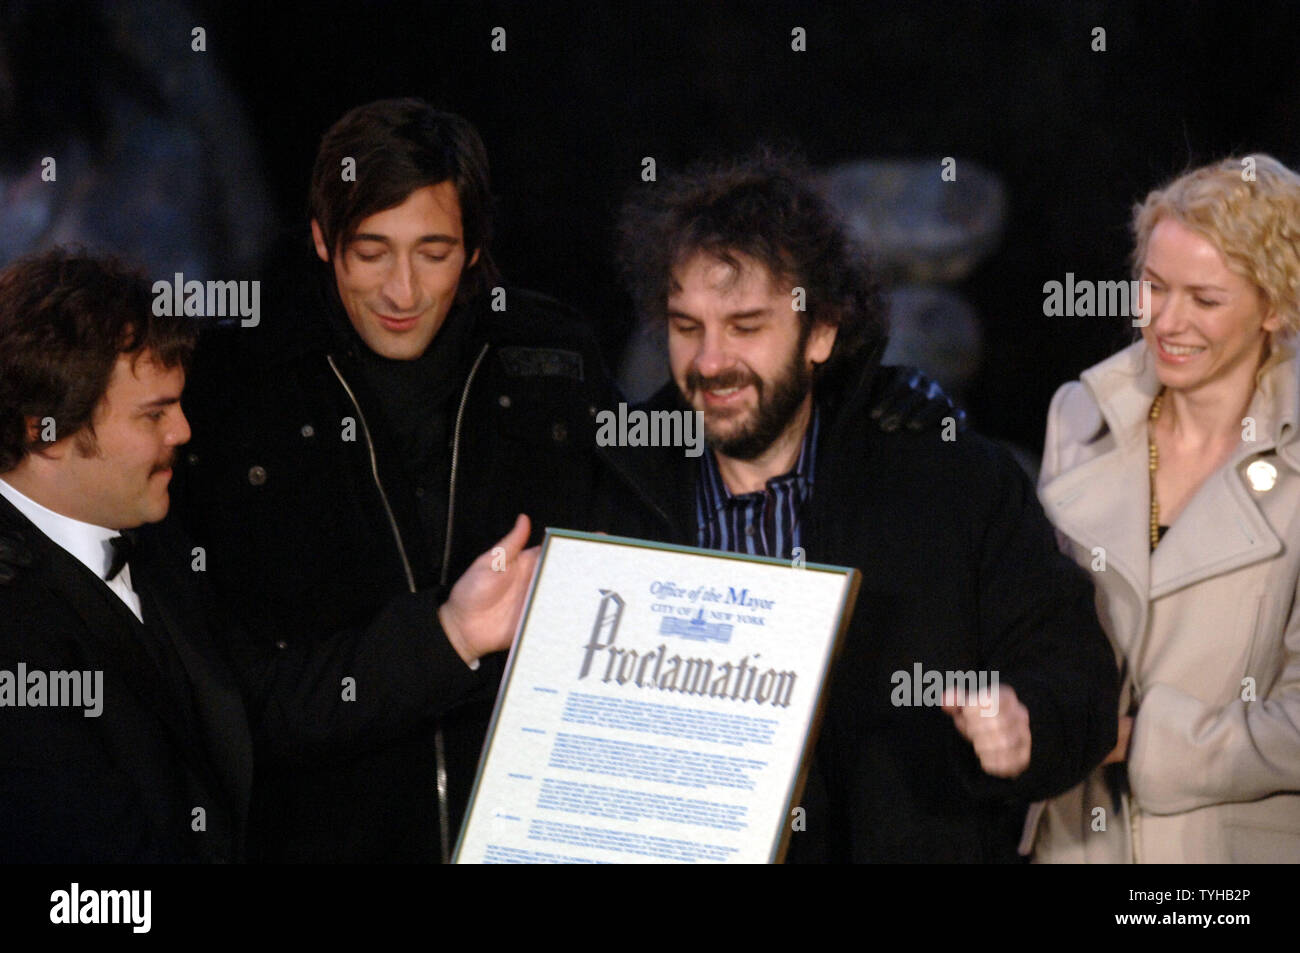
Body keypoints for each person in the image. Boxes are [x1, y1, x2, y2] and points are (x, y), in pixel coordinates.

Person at [594, 151, 1118, 862]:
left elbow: (1071, 669)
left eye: (746, 326)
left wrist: (1027, 725)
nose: (710, 361)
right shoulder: (619, 495)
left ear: (821, 332)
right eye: (688, 327)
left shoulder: (950, 481)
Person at [0, 250, 530, 861]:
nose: (183, 431)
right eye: (154, 415)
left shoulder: (157, 545)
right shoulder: (15, 625)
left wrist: (454, 630)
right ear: (49, 435)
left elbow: (262, 706)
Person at [1029, 156, 1300, 863]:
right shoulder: (1080, 416)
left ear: (1275, 305)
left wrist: (1143, 739)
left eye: (1204, 299)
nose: (1166, 321)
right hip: (1074, 841)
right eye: (1153, 287)